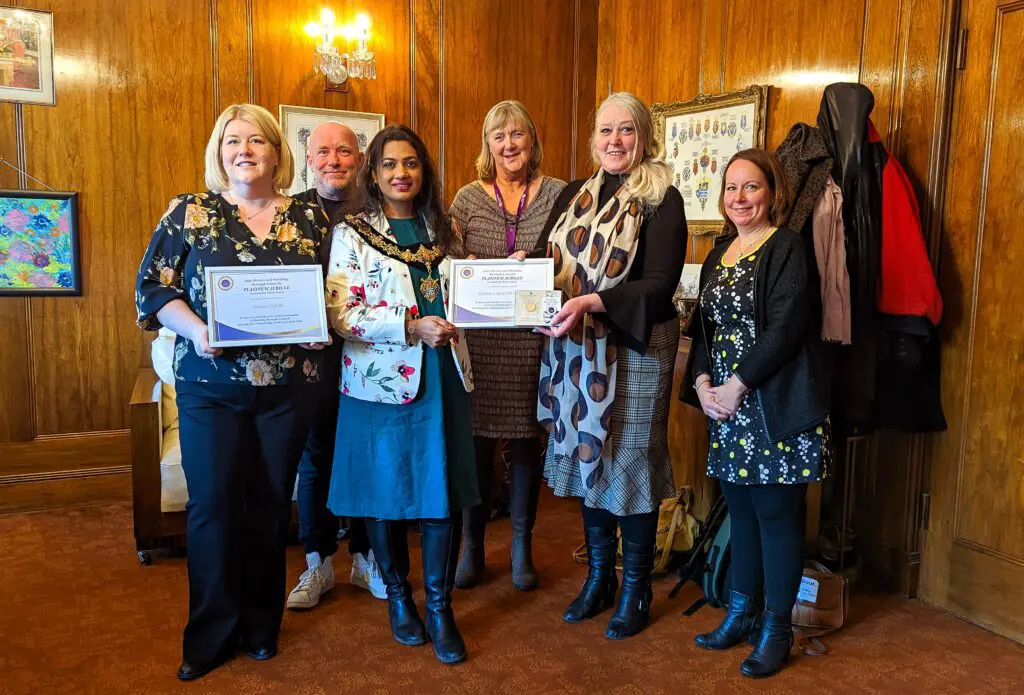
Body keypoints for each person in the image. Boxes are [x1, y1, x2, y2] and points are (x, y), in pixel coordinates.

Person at [135, 104, 331, 681]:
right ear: (219, 154)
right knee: (213, 507)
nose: (244, 150)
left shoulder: (312, 217)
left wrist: (323, 326)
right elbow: (151, 290)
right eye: (232, 141)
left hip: (288, 389)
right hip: (210, 387)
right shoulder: (188, 213)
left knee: (270, 505)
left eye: (256, 141)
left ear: (277, 152)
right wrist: (198, 330)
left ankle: (261, 626)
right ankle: (211, 634)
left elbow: (337, 290)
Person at [324, 124, 478, 665]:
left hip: (444, 378)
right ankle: (398, 596)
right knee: (384, 494)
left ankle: (440, 606)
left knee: (443, 493)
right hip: (379, 382)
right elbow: (340, 313)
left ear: (423, 170)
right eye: (389, 164)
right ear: (374, 172)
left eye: (410, 163)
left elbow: (469, 293)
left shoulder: (447, 227)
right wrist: (411, 327)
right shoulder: (352, 233)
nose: (400, 174)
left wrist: (505, 285)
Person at [534, 92, 687, 639]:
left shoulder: (661, 197)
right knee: (589, 461)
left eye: (626, 130)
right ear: (593, 137)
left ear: (643, 137)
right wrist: (517, 273)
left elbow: (660, 283)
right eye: (605, 131)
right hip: (576, 350)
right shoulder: (576, 193)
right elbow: (544, 262)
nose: (614, 141)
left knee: (630, 463)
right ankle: (598, 578)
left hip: (638, 346)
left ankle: (635, 587)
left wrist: (592, 303)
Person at [683, 148, 831, 679]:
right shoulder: (717, 253)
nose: (740, 198)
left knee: (776, 518)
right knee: (740, 515)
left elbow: (787, 326)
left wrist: (739, 385)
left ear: (772, 194)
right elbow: (705, 330)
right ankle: (740, 614)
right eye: (731, 189)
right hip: (726, 408)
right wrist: (703, 384)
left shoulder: (787, 247)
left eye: (751, 187)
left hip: (772, 406)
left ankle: (776, 628)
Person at [448, 100, 566, 591]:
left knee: (525, 443)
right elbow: (447, 258)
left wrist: (540, 261)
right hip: (481, 343)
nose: (510, 144)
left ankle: (520, 546)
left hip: (534, 340)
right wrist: (469, 262)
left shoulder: (560, 193)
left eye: (518, 134)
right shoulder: (466, 199)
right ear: (487, 145)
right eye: (499, 136)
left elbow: (571, 255)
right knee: (476, 446)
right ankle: (473, 546)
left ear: (533, 141)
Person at [287, 120, 385, 609]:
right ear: (308, 159)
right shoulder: (290, 215)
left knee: (365, 455)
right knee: (315, 459)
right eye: (323, 152)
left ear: (359, 158)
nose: (334, 161)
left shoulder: (379, 212)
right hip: (311, 361)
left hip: (371, 356)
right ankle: (317, 563)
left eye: (344, 151)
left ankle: (366, 559)